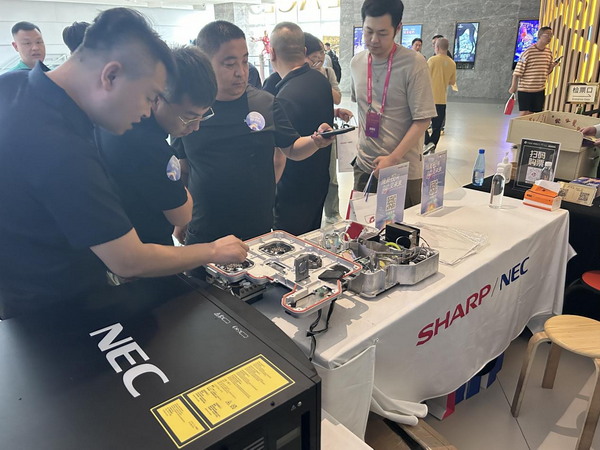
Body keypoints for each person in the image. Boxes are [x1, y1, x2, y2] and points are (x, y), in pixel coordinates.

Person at [0, 8, 248, 319]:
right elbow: (128, 260)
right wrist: (213, 251)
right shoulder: (62, 146)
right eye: (148, 96)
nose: (146, 112)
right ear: (111, 76)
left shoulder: (11, 85)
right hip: (53, 310)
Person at [178, 21, 333, 247]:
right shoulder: (190, 108)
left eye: (244, 61)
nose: (241, 72)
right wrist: (181, 220)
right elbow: (183, 169)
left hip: (256, 232)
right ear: (206, 63)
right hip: (205, 232)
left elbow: (291, 148)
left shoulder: (265, 103)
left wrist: (315, 141)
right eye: (229, 64)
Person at [97, 46, 217, 246]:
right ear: (158, 98)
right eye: (189, 117)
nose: (195, 127)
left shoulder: (115, 115)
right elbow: (182, 216)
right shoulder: (149, 146)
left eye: (202, 116)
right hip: (143, 250)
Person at [350, 0, 436, 207]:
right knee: (362, 225)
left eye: (382, 33)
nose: (373, 40)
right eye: (368, 31)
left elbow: (423, 120)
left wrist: (393, 158)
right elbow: (363, 109)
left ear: (397, 29)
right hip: (365, 167)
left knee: (400, 227)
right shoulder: (356, 63)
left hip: (401, 170)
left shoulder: (414, 63)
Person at [269, 24, 335, 235]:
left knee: (289, 248)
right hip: (318, 182)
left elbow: (279, 156)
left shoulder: (283, 98)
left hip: (291, 192)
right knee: (310, 242)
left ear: (272, 53)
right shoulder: (320, 81)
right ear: (304, 50)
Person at [305, 33, 345, 224]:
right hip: (308, 131)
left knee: (331, 175)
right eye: (315, 55)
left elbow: (337, 98)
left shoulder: (328, 73)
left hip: (328, 131)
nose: (320, 57)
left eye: (322, 52)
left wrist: (320, 80)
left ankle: (332, 212)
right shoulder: (300, 77)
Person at [509, 26, 559, 116]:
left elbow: (546, 72)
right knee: (524, 113)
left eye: (551, 35)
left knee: (534, 114)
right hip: (526, 89)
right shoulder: (528, 52)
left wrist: (552, 66)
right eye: (547, 35)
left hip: (540, 89)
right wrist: (513, 86)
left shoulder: (548, 52)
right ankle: (518, 125)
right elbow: (517, 72)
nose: (549, 38)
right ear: (539, 36)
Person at [425, 38, 456, 149]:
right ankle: (433, 145)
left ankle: (426, 143)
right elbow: (452, 81)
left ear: (437, 48)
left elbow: (424, 76)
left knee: (422, 124)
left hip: (428, 99)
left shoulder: (432, 60)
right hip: (442, 100)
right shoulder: (452, 63)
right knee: (437, 127)